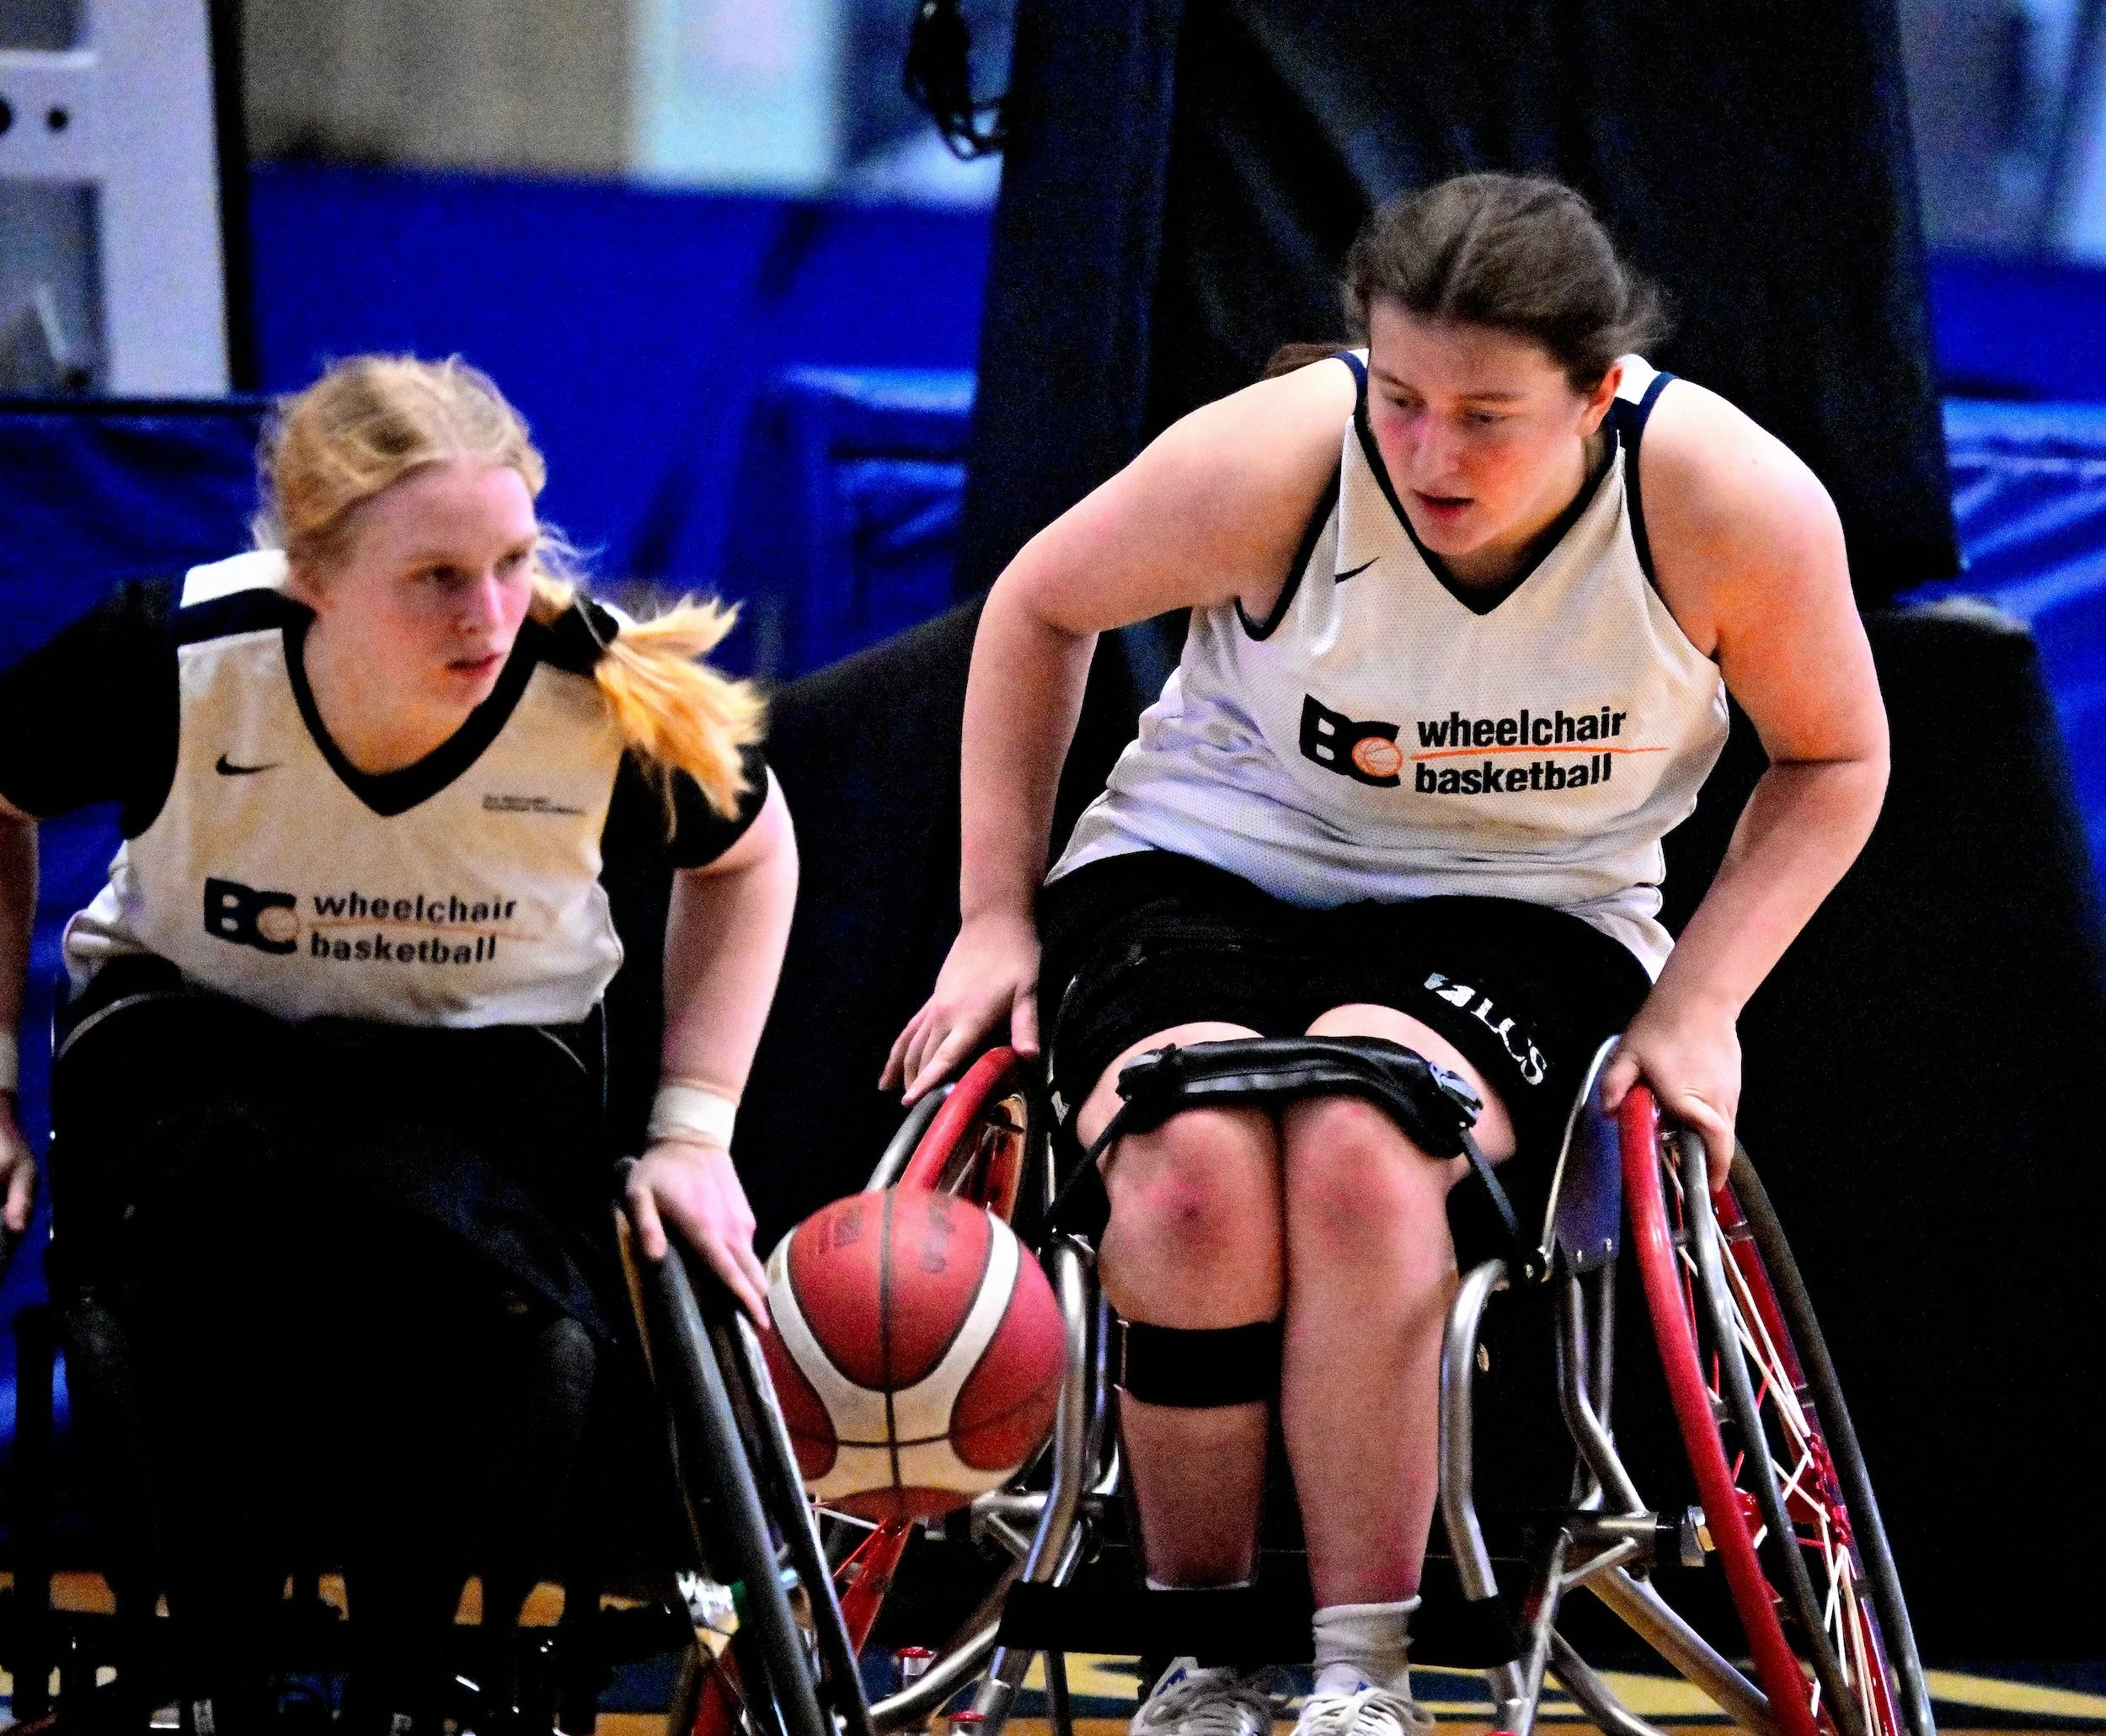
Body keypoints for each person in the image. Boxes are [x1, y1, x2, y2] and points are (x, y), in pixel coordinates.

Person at [885, 174, 1888, 1736]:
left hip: (1530, 901)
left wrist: (1700, 1006)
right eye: (1402, 398)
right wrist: (993, 913)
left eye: (1488, 416)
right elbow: (1037, 607)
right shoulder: (1277, 456)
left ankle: (1364, 1677)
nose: (1429, 452)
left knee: (1365, 1148)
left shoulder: (1727, 503)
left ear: (1600, 394)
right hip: (1208, 861)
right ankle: (1196, 1661)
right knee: (1189, 1158)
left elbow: (1834, 758)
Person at [0, 355, 797, 1733]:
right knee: (210, 1276)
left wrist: (693, 1129)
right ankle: (229, 1672)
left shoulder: (589, 686)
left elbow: (754, 857)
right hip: (200, 1098)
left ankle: (411, 1678)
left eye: (509, 559)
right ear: (310, 572)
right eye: (435, 577)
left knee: (519, 1342)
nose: (490, 611)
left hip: (474, 1124)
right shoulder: (173, 659)